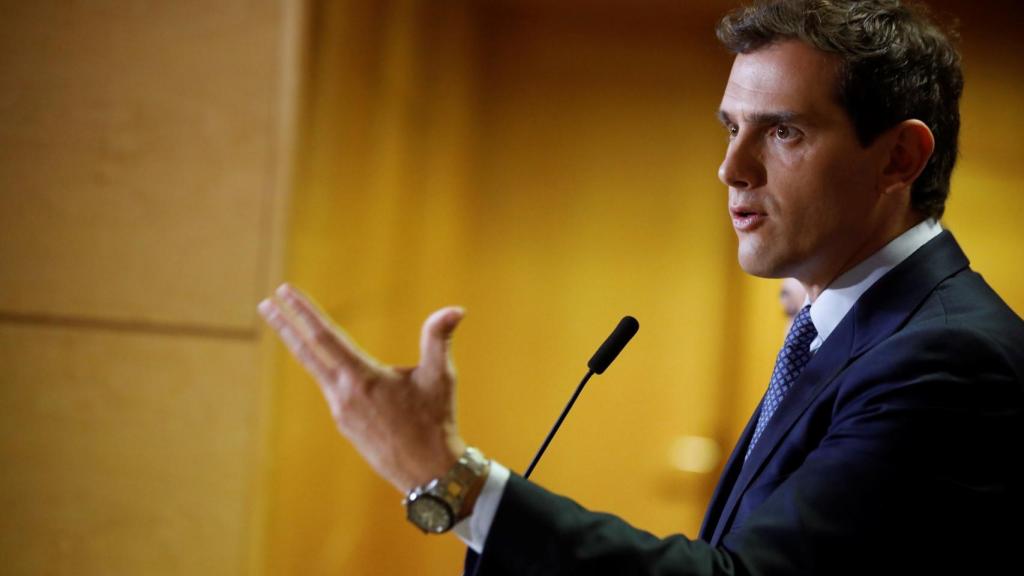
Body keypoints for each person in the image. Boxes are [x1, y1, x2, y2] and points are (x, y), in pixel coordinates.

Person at [258, 1, 1024, 574]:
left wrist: (450, 480)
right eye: (732, 128)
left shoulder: (946, 359)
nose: (732, 169)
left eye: (783, 131)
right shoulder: (854, 321)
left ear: (899, 159)